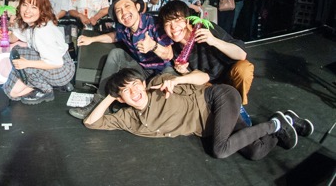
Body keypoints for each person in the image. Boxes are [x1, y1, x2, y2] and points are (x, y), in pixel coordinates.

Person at [83, 68, 314, 160]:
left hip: (218, 98)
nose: (134, 92)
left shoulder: (159, 85)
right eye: (126, 91)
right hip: (215, 125)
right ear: (121, 99)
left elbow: (204, 77)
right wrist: (112, 95)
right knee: (255, 152)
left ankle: (275, 124)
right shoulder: (128, 118)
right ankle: (286, 121)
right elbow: (91, 122)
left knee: (220, 149)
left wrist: (177, 80)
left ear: (143, 84)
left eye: (135, 85)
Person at [69, 0, 173, 120]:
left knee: (160, 106)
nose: (124, 12)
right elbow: (114, 36)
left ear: (137, 7)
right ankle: (100, 102)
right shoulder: (123, 27)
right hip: (142, 70)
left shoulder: (155, 24)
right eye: (119, 10)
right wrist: (92, 39)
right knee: (116, 54)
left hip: (163, 71)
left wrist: (153, 46)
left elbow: (169, 55)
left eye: (127, 6)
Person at [159, 0, 255, 124]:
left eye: (177, 20)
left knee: (244, 69)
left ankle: (238, 104)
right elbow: (201, 78)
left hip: (229, 73)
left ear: (187, 20)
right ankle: (224, 108)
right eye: (168, 23)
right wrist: (184, 72)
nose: (173, 27)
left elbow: (241, 54)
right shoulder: (173, 49)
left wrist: (214, 40)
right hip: (209, 84)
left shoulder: (205, 28)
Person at [3, 0, 74, 104]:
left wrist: (27, 64)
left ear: (42, 11)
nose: (27, 11)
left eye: (34, 7)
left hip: (62, 70)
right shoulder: (31, 23)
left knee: (22, 60)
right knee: (11, 92)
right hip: (52, 63)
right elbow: (14, 37)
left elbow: (56, 62)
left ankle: (46, 90)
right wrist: (5, 34)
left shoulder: (42, 31)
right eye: (25, 5)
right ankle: (46, 84)